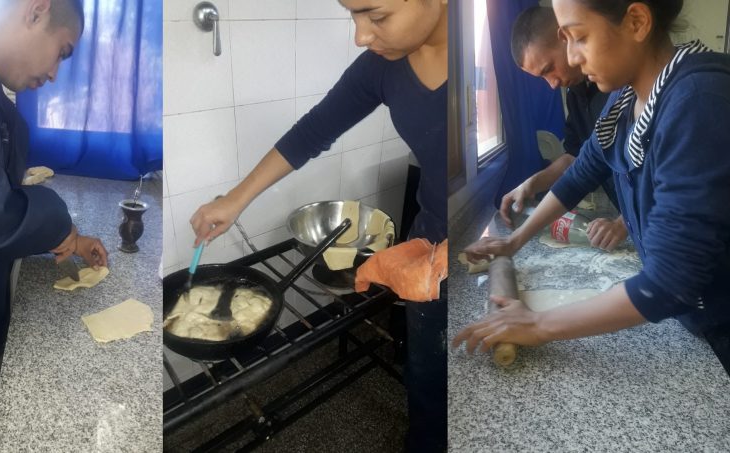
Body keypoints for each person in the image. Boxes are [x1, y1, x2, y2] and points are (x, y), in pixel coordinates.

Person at [188, 0, 448, 450]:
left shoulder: (499, 53)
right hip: (428, 245)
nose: (360, 36)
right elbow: (312, 132)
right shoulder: (380, 68)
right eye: (353, 15)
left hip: (486, 248)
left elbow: (534, 168)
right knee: (428, 375)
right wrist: (235, 200)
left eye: (376, 15)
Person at [457, 0, 730, 353]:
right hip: (697, 320)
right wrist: (515, 241)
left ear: (636, 22)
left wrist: (538, 325)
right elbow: (580, 173)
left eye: (579, 37)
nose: (571, 58)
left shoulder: (697, 101)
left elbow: (671, 280)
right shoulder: (623, 104)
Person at [0, 1, 108, 451]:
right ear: (36, 11)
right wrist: (56, 220)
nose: (54, 74)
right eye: (62, 52)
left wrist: (65, 237)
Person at [504, 5, 627, 251]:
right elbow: (577, 160)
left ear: (566, 38)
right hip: (639, 223)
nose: (552, 84)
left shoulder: (623, 86)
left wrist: (623, 224)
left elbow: (664, 178)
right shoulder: (576, 93)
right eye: (542, 77)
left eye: (549, 69)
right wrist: (531, 184)